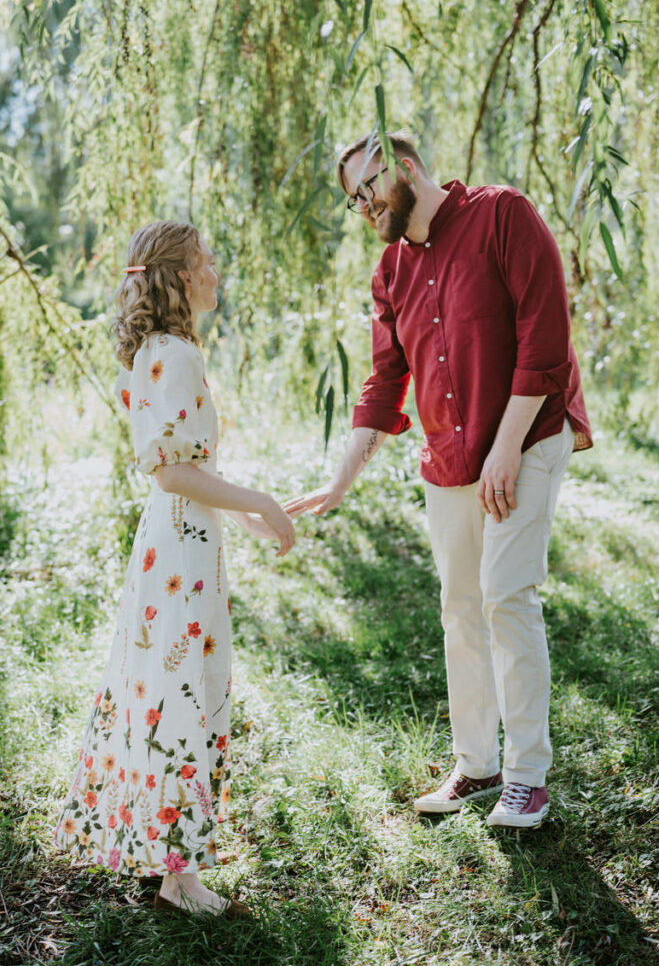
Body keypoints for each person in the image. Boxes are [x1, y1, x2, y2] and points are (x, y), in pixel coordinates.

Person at [284, 132, 592, 828]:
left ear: (406, 167)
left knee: (507, 600)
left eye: (367, 186)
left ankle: (526, 777)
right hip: (450, 461)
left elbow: (546, 340)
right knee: (460, 608)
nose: (362, 204)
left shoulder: (500, 214)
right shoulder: (389, 271)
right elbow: (384, 379)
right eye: (352, 198)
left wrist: (506, 449)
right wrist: (340, 481)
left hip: (527, 437)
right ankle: (476, 765)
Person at [54, 220, 295, 915]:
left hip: (176, 545)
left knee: (170, 688)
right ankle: (179, 878)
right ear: (183, 275)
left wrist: (251, 517)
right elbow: (172, 473)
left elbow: (189, 472)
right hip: (179, 555)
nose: (217, 269)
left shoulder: (157, 351)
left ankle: (167, 861)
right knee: (188, 691)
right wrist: (260, 502)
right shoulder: (176, 355)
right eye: (208, 259)